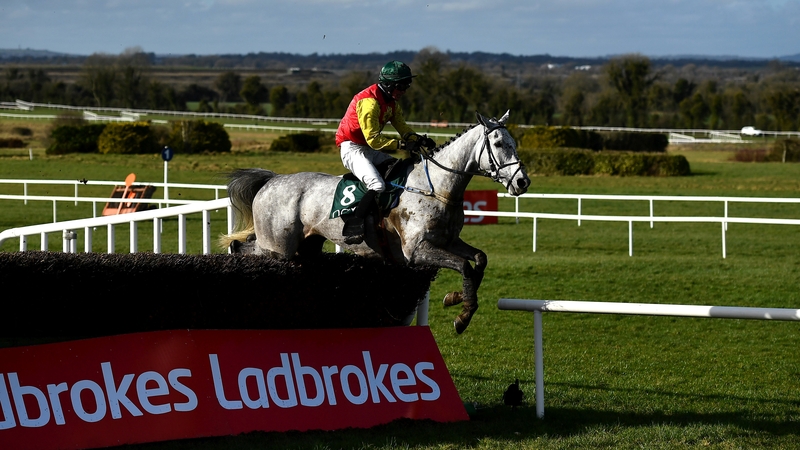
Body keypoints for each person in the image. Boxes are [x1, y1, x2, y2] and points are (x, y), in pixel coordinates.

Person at [335, 60, 435, 244]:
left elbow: (403, 129)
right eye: (401, 85)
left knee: (398, 170)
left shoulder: (391, 103)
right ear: (389, 85)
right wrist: (403, 146)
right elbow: (373, 138)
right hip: (352, 148)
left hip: (368, 148)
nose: (405, 90)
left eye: (407, 85)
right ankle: (354, 225)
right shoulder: (370, 103)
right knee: (377, 185)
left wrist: (418, 139)